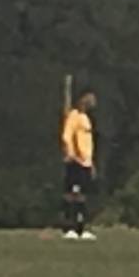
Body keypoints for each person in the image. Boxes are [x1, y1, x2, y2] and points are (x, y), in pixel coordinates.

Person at [61, 91, 99, 241]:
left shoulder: (86, 118)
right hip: (76, 161)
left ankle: (81, 227)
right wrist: (72, 154)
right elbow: (67, 136)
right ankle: (70, 227)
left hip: (85, 162)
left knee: (83, 196)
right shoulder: (74, 116)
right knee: (73, 194)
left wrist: (91, 162)